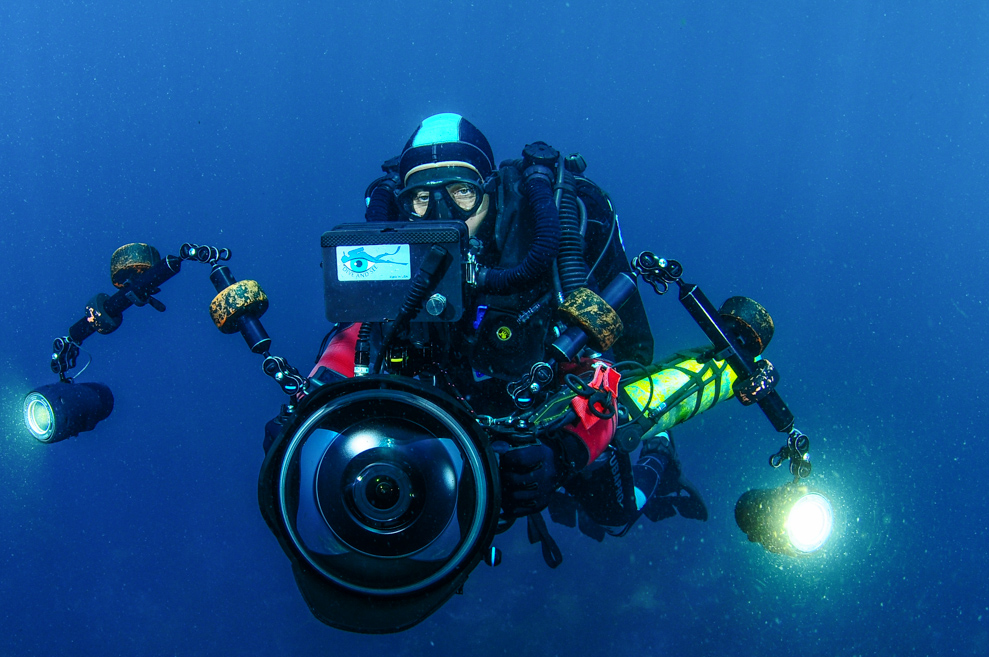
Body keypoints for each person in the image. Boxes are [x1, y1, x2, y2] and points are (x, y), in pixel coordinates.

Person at [287, 113, 707, 556]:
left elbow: (611, 363)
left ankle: (660, 447)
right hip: (459, 401)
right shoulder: (396, 245)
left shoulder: (544, 237)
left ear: (488, 189)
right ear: (402, 202)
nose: (445, 216)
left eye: (462, 193)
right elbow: (360, 331)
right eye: (422, 199)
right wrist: (311, 405)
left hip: (557, 401)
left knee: (614, 509)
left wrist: (564, 451)